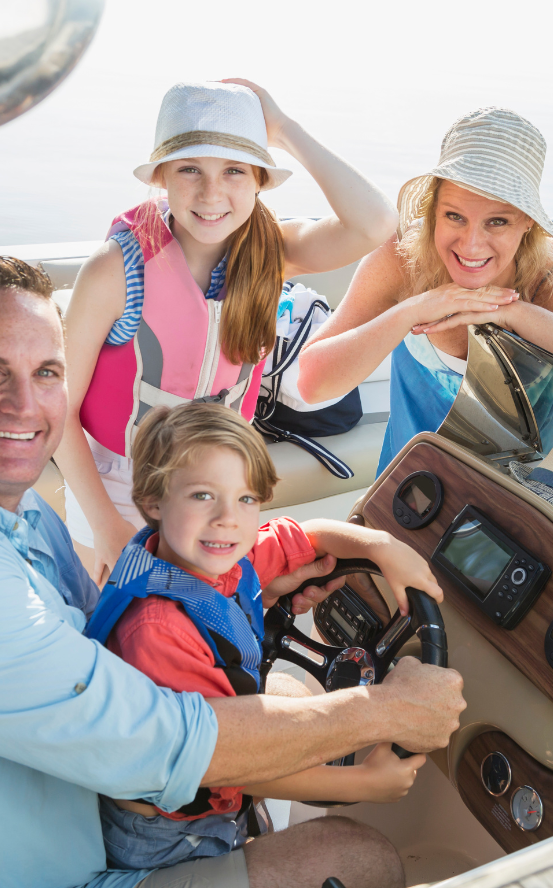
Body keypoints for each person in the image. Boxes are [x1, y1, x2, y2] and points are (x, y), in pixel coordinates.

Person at [0, 257, 466, 888]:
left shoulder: (7, 513)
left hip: (77, 824)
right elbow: (170, 745)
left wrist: (253, 595)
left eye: (48, 373)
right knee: (359, 858)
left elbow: (114, 651)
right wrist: (388, 709)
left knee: (287, 702)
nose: (26, 405)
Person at [56, 79, 396, 582]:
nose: (211, 193)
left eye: (234, 171)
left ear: (260, 180)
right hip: (118, 489)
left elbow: (375, 224)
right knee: (122, 637)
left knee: (206, 636)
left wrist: (283, 129)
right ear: (163, 178)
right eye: (189, 168)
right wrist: (107, 525)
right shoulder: (116, 267)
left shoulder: (271, 252)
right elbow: (58, 408)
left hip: (222, 484)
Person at [85, 402, 442, 870]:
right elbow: (235, 765)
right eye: (201, 496)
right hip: (166, 836)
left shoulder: (225, 559)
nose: (228, 519)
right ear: (152, 501)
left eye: (247, 499)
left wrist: (381, 547)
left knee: (294, 693)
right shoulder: (156, 630)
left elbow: (310, 536)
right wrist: (363, 784)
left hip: (216, 786)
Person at [295, 107, 553, 473]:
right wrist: (412, 310)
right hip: (406, 498)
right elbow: (311, 384)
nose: (470, 245)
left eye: (497, 222)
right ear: (433, 208)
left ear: (528, 220)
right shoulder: (401, 258)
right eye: (455, 216)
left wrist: (513, 312)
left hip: (519, 505)